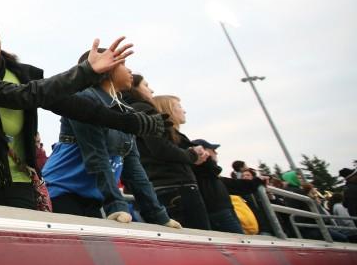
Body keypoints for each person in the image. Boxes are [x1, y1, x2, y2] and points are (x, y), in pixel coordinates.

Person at [0, 19, 166, 208]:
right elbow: (24, 95)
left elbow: (80, 109)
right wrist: (86, 71)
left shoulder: (21, 74)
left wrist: (134, 122)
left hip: (18, 183)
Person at [42, 51, 179, 227]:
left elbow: (134, 169)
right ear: (106, 68)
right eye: (123, 64)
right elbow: (96, 156)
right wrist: (115, 205)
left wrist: (159, 215)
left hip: (93, 197)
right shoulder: (84, 99)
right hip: (63, 192)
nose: (130, 70)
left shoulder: (127, 112)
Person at [127, 88, 211, 230]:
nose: (184, 111)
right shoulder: (144, 112)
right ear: (168, 110)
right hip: (176, 188)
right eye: (179, 106)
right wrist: (193, 155)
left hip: (171, 188)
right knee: (195, 236)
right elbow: (161, 150)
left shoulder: (174, 136)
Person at [189, 139, 243, 234]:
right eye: (213, 150)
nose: (216, 152)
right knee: (239, 243)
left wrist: (257, 181)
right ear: (203, 150)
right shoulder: (202, 170)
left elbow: (237, 185)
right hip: (219, 214)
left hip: (225, 211)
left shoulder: (213, 174)